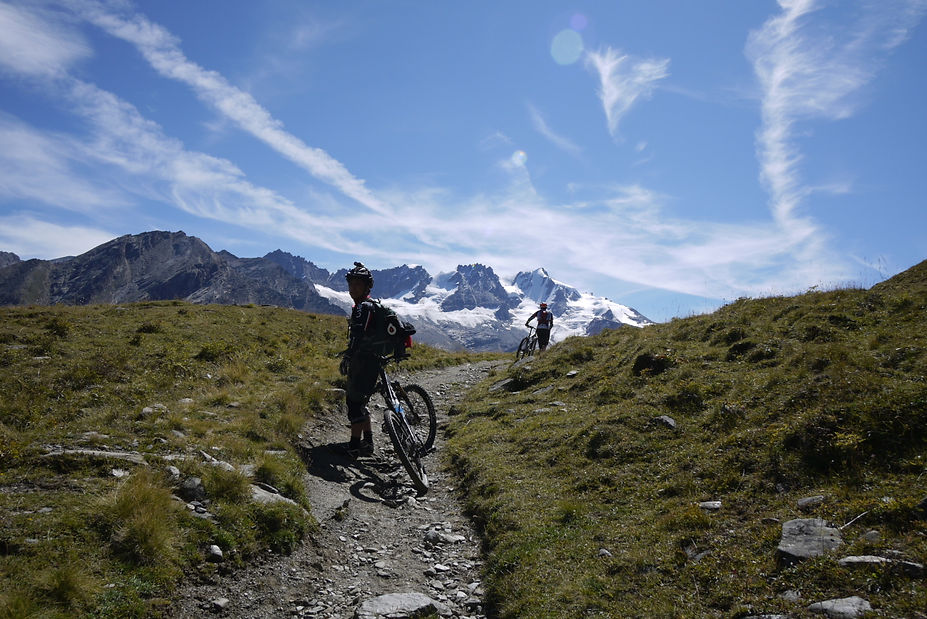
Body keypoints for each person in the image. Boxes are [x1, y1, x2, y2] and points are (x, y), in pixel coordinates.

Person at [338, 262, 383, 457]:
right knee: (361, 402)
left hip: (364, 361)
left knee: (355, 403)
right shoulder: (369, 305)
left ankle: (354, 447)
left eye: (358, 284)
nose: (353, 288)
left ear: (367, 287)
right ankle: (368, 443)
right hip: (371, 359)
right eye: (351, 284)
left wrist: (348, 356)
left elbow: (358, 334)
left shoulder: (363, 307)